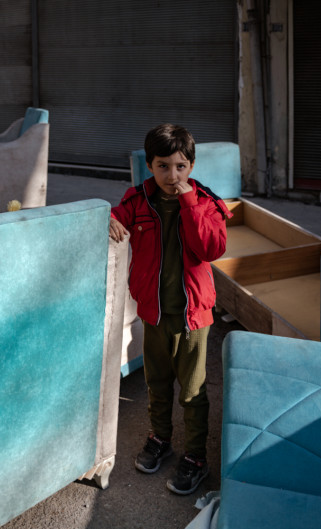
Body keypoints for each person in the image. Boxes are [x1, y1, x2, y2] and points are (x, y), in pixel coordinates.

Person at [109, 124, 231, 495]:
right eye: (163, 166)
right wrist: (110, 220)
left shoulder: (206, 203)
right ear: (149, 165)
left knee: (192, 391)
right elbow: (117, 216)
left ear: (191, 166)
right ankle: (160, 438)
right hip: (154, 314)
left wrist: (189, 204)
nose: (172, 175)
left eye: (180, 166)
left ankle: (196, 456)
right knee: (157, 383)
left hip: (193, 317)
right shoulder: (138, 200)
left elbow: (212, 249)